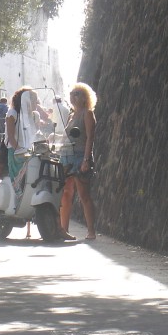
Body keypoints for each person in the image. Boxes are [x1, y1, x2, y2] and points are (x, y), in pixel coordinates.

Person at [59, 82, 97, 241]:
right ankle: (63, 229)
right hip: (66, 155)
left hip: (80, 155)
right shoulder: (71, 115)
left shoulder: (87, 114)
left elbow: (90, 138)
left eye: (77, 94)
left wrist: (86, 160)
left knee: (83, 195)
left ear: (85, 97)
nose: (73, 96)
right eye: (72, 93)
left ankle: (91, 231)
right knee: (65, 194)